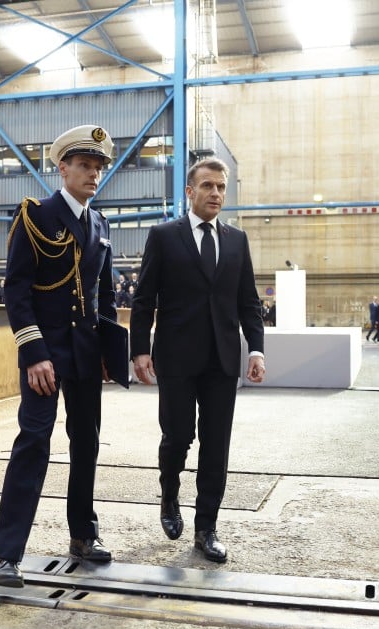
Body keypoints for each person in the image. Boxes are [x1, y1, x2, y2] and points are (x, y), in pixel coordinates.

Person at [0, 124, 118, 588]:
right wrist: (33, 352)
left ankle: (83, 535)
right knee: (33, 444)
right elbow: (17, 289)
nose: (92, 174)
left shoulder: (100, 225)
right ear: (61, 168)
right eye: (84, 165)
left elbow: (102, 296)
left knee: (87, 445)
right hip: (45, 355)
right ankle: (7, 556)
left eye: (98, 166)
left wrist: (107, 351)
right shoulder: (35, 216)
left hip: (85, 355)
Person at [129, 156, 265, 563]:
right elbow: (143, 298)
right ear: (190, 191)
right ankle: (169, 494)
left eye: (221, 187)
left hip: (222, 360)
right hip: (177, 357)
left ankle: (206, 528)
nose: (216, 193)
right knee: (177, 437)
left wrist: (255, 348)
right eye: (207, 186)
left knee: (216, 445)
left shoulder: (237, 240)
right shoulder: (164, 236)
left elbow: (249, 302)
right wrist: (140, 350)